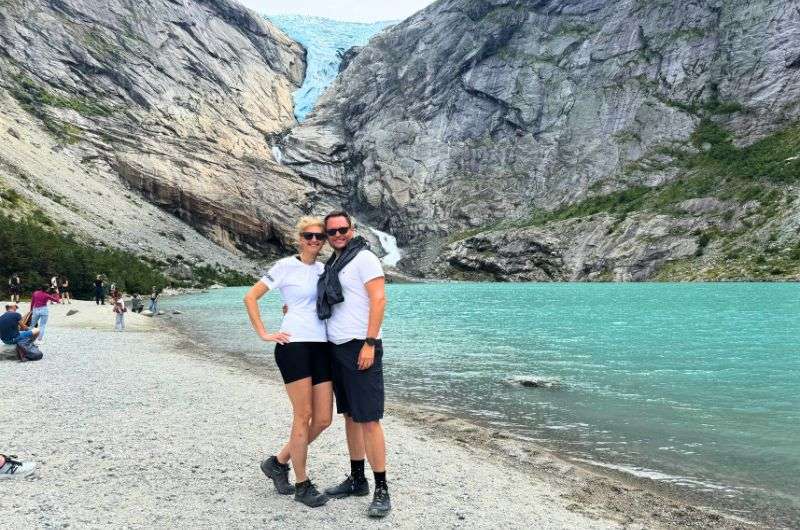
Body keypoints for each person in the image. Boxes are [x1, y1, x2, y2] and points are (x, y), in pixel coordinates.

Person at [243, 216, 333, 508]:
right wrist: (264, 333)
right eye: (309, 236)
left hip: (322, 346)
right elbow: (250, 297)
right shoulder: (284, 266)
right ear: (299, 238)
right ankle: (302, 484)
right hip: (293, 345)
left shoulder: (325, 269)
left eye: (320, 236)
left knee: (323, 419)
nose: (314, 241)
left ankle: (278, 462)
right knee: (302, 415)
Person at [318, 211, 391, 518]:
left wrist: (370, 343)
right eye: (331, 231)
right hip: (336, 349)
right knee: (350, 415)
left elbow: (379, 300)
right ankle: (357, 479)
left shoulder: (364, 259)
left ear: (352, 229)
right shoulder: (334, 263)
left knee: (369, 419)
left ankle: (382, 490)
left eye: (342, 229)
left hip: (361, 348)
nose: (338, 234)